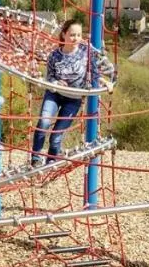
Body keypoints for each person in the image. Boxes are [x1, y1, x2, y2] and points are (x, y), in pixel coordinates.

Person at [30, 18, 100, 167]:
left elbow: (95, 73)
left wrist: (104, 83)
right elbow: (50, 77)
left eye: (79, 35)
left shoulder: (86, 53)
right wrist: (56, 83)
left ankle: (51, 160)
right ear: (64, 35)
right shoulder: (55, 56)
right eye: (72, 35)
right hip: (54, 94)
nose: (76, 38)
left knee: (56, 135)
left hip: (73, 98)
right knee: (44, 122)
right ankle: (36, 157)